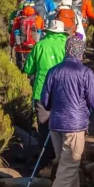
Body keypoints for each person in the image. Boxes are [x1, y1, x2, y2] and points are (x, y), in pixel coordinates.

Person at [39, 35, 94, 187]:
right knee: (70, 163)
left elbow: (44, 101)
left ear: (66, 50)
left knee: (65, 161)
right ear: (81, 52)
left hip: (56, 124)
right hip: (75, 125)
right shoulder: (85, 73)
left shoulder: (53, 71)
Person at [23, 19, 69, 170]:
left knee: (44, 127)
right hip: (63, 93)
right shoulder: (66, 45)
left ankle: (44, 161)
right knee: (61, 126)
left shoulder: (40, 45)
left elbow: (29, 69)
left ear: (48, 31)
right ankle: (60, 160)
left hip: (41, 92)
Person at [11, 3, 44, 69]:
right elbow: (41, 32)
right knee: (31, 67)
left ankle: (19, 78)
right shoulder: (39, 19)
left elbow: (13, 34)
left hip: (20, 48)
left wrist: (11, 44)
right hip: (33, 48)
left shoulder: (17, 20)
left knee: (20, 68)